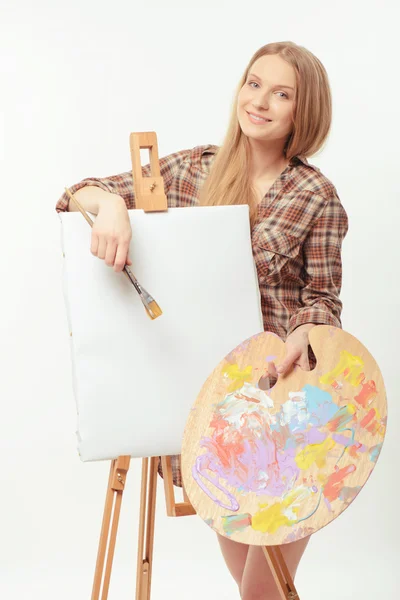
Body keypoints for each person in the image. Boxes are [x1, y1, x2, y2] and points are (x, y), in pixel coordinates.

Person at [56, 41, 348, 600]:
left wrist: (308, 330)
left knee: (263, 591)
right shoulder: (196, 168)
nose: (260, 101)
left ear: (302, 111)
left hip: (286, 406)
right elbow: (77, 194)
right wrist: (112, 206)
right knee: (250, 586)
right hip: (213, 415)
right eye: (254, 83)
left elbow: (324, 299)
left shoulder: (316, 196)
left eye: (281, 93)